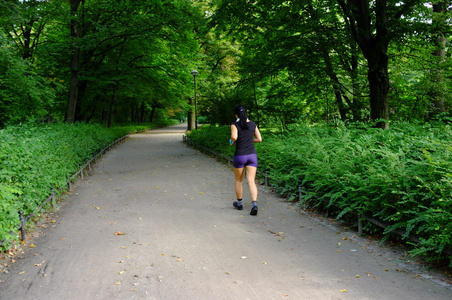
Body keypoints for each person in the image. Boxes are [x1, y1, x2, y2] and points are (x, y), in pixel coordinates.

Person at [229, 105, 262, 215]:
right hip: (252, 155)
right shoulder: (252, 124)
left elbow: (234, 137)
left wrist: (232, 141)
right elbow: (259, 139)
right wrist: (249, 140)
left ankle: (239, 203)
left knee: (239, 180)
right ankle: (254, 204)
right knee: (251, 181)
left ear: (236, 114)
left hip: (240, 155)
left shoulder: (235, 124)